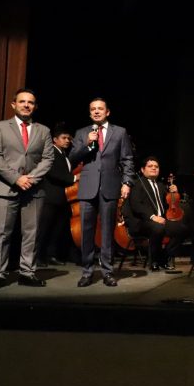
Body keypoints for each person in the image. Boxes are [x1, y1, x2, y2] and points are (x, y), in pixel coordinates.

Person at [0, 89, 54, 290]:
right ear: (13, 104)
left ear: (35, 106)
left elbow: (48, 159)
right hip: (6, 187)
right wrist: (16, 178)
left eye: (30, 102)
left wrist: (30, 179)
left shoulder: (43, 130)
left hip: (34, 189)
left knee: (31, 233)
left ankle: (27, 273)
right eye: (22, 101)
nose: (26, 105)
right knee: (2, 233)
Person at [69, 97, 135, 287]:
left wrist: (127, 182)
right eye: (93, 109)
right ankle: (87, 272)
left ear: (107, 112)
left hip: (110, 186)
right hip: (87, 187)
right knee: (86, 232)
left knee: (107, 232)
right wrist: (86, 143)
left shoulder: (119, 132)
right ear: (90, 113)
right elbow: (72, 159)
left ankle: (107, 272)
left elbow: (127, 159)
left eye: (100, 108)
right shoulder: (82, 133)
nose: (96, 111)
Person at [122, 157, 189, 271]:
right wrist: (152, 217)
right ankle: (154, 261)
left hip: (160, 221)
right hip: (141, 222)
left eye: (156, 167)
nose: (154, 168)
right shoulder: (137, 184)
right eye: (150, 166)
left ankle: (164, 257)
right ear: (142, 170)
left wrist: (173, 193)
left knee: (182, 229)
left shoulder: (161, 185)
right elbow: (136, 205)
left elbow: (168, 205)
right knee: (157, 228)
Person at [36, 124, 77, 267]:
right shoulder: (51, 152)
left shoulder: (64, 154)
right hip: (50, 197)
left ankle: (50, 255)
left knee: (57, 229)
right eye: (64, 138)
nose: (67, 141)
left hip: (62, 198)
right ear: (55, 139)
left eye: (69, 138)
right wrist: (73, 178)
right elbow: (52, 172)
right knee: (44, 228)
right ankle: (38, 257)